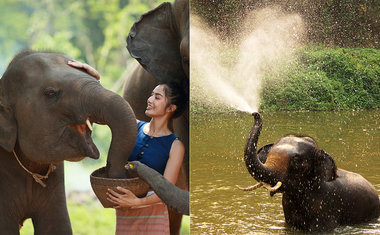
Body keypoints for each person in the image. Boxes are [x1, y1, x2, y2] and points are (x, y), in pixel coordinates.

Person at [68, 60, 185, 235]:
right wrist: (93, 78)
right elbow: (108, 108)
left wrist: (135, 202)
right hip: (126, 214)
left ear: (171, 108)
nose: (150, 99)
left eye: (157, 97)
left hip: (153, 218)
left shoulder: (175, 146)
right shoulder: (133, 127)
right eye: (151, 95)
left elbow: (166, 191)